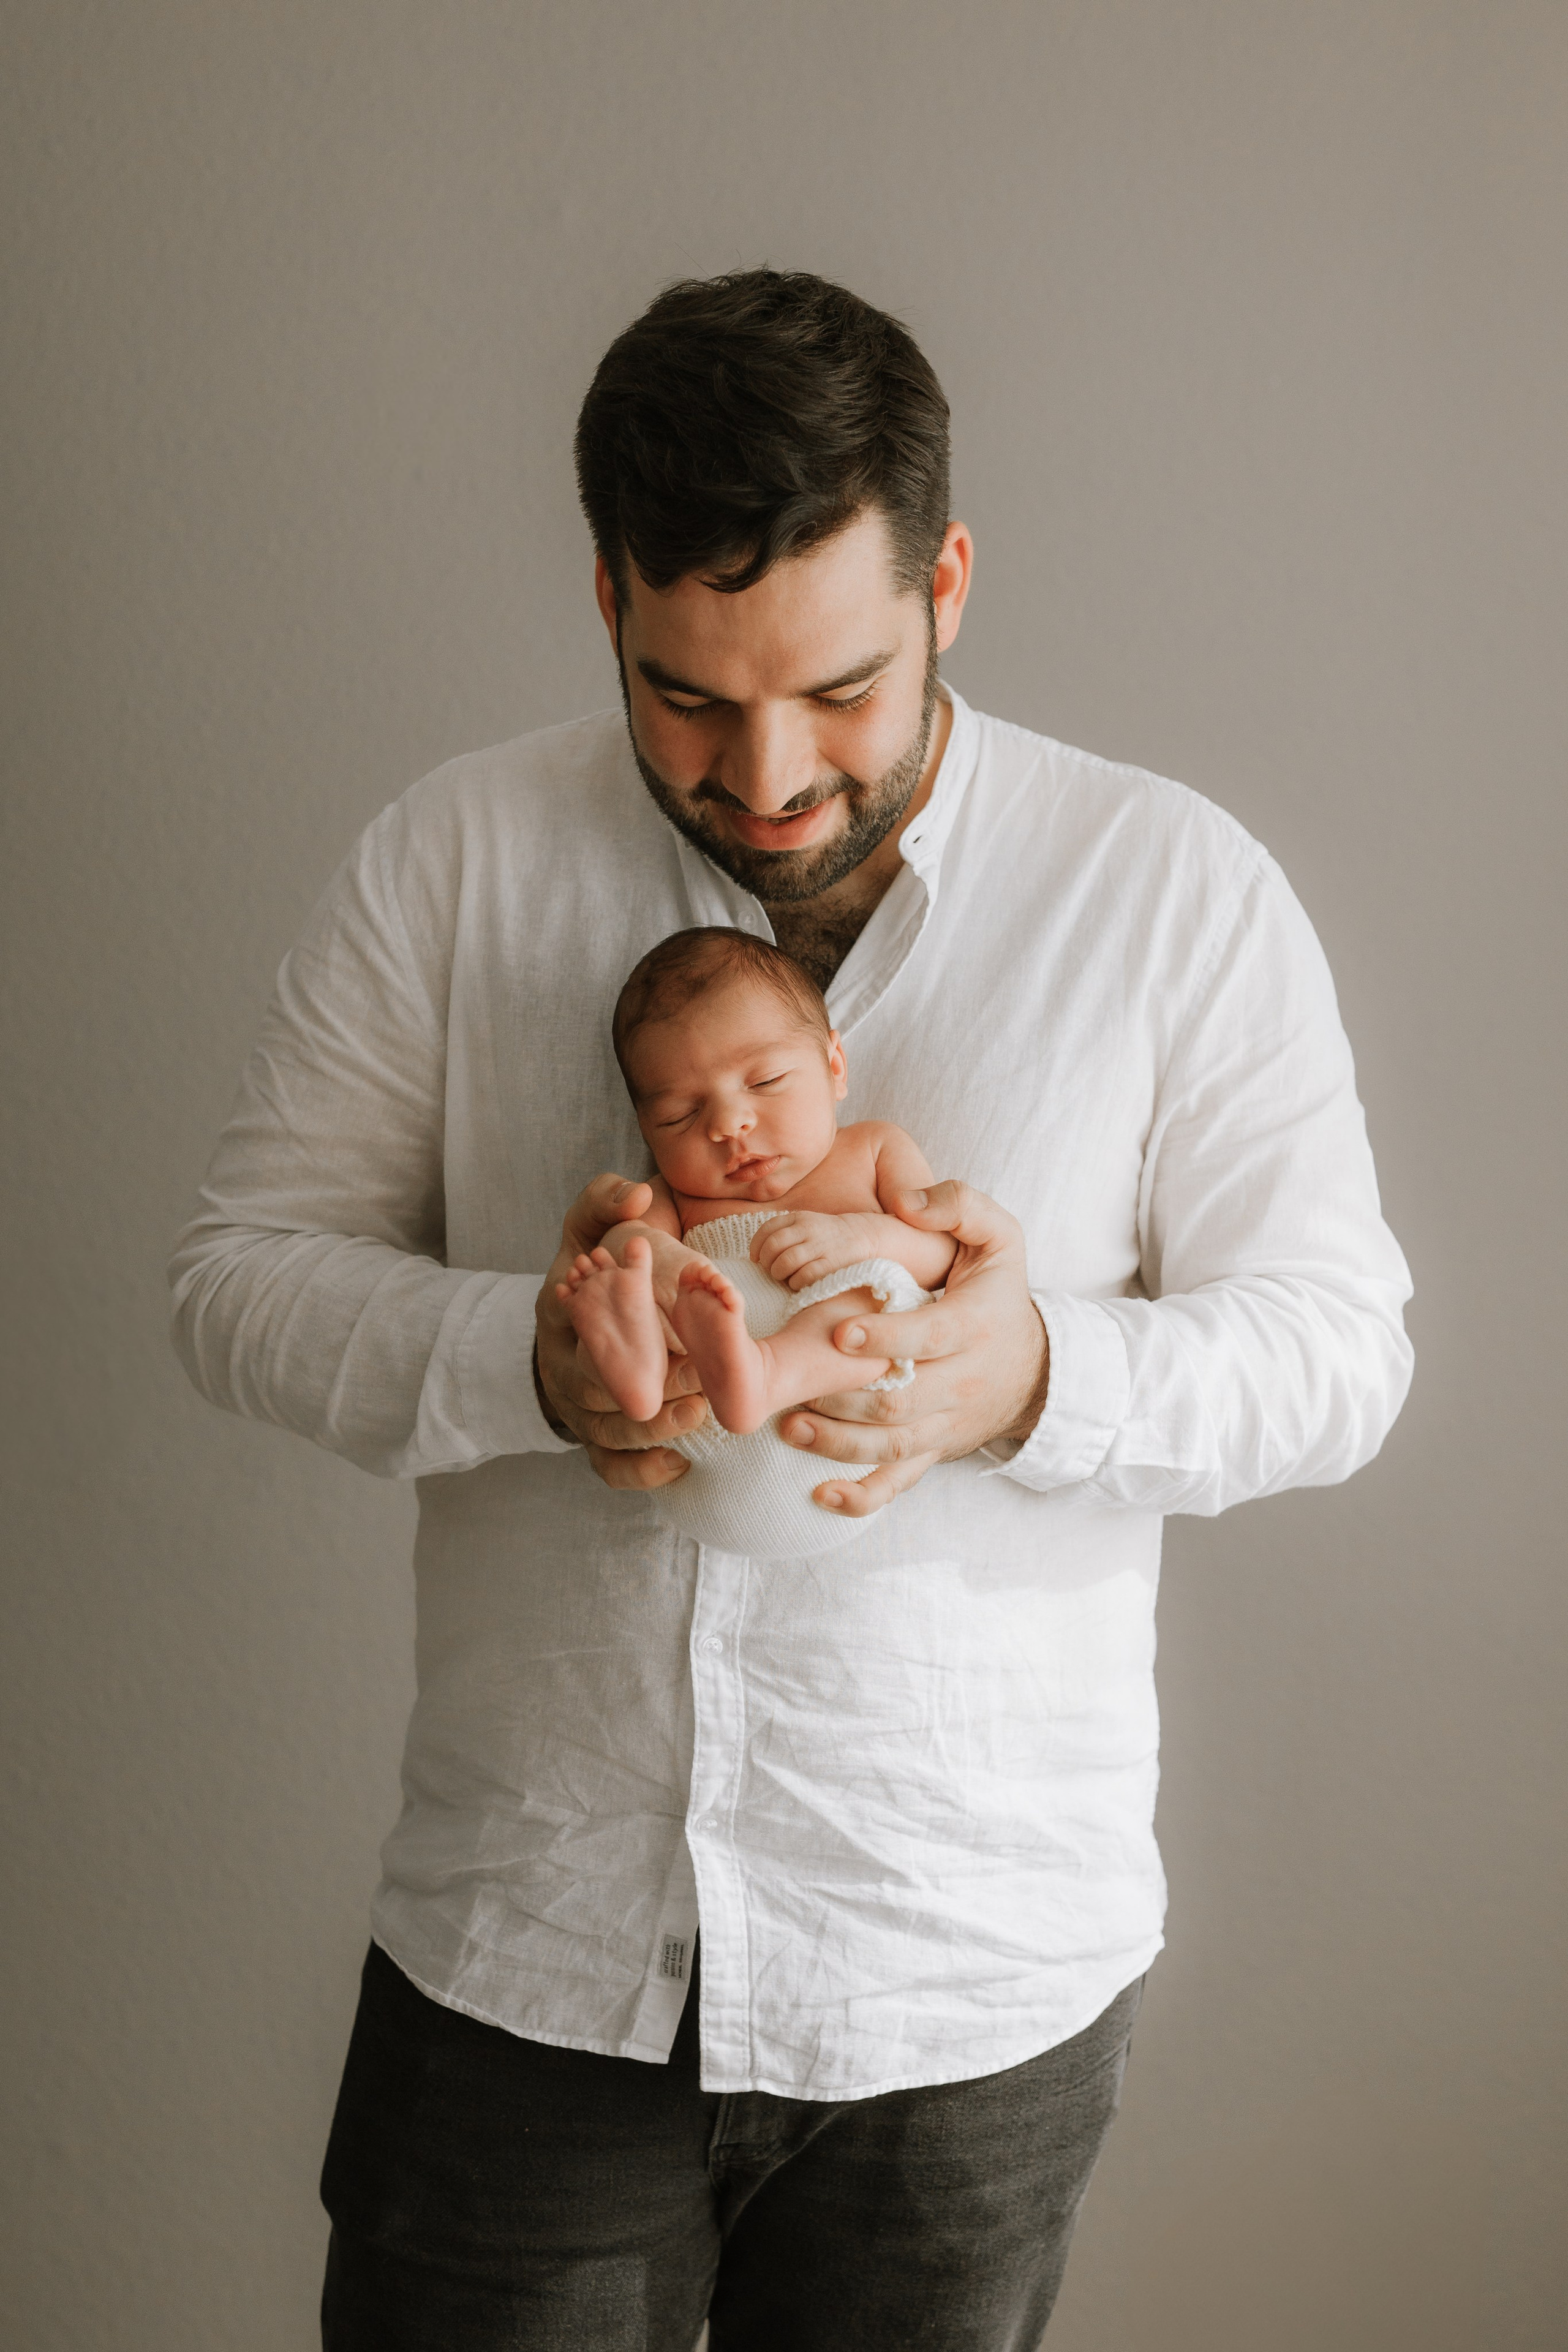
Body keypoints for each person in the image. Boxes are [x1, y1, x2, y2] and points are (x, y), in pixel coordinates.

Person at [168, 268, 1413, 2350]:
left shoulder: (1169, 889)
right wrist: (535, 1367)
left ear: (946, 577)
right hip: (533, 1954)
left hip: (967, 1968)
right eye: (687, 696)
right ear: (603, 600)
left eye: (835, 689)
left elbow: (1344, 1351)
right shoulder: (452, 862)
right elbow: (240, 1286)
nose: (763, 771)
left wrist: (1038, 1376)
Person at [559, 925, 954, 1556]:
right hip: (700, 1429)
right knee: (639, 1257)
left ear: (833, 1065)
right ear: (646, 1129)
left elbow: (940, 1257)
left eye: (764, 1082)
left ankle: (768, 1372)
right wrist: (642, 1262)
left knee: (875, 1302)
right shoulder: (676, 1194)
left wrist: (862, 1235)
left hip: (833, 1424)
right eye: (679, 1116)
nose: (728, 1124)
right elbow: (640, 1244)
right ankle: (635, 1369)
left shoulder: (873, 1150)